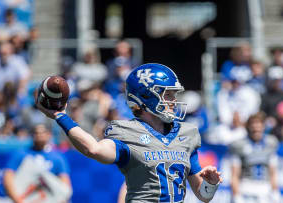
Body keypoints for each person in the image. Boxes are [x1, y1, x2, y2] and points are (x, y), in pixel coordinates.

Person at [37, 63, 223, 202]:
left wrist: (211, 183)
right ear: (146, 97)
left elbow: (204, 195)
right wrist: (61, 116)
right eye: (168, 95)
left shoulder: (186, 133)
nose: (173, 101)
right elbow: (93, 149)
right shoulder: (127, 132)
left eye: (174, 95)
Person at [3, 124, 72, 203]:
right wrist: (18, 200)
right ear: (32, 135)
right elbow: (8, 178)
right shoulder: (21, 154)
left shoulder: (57, 158)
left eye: (42, 133)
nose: (39, 135)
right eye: (36, 133)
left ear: (49, 135)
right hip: (25, 196)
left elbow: (64, 186)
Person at [230, 113, 280, 203]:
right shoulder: (239, 145)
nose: (256, 128)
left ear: (263, 127)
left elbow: (273, 172)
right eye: (253, 125)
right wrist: (236, 195)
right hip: (246, 188)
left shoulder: (271, 143)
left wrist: (275, 191)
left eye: (259, 124)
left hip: (265, 189)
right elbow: (234, 175)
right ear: (248, 127)